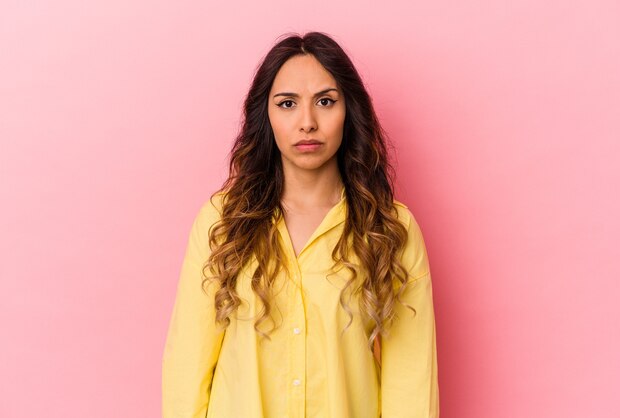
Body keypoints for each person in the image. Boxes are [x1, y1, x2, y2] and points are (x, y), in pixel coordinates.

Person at [162, 31, 439, 418]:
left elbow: (411, 381)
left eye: (325, 102)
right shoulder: (222, 222)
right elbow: (187, 366)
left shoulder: (390, 229)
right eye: (288, 103)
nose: (307, 122)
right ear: (267, 115)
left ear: (349, 111)